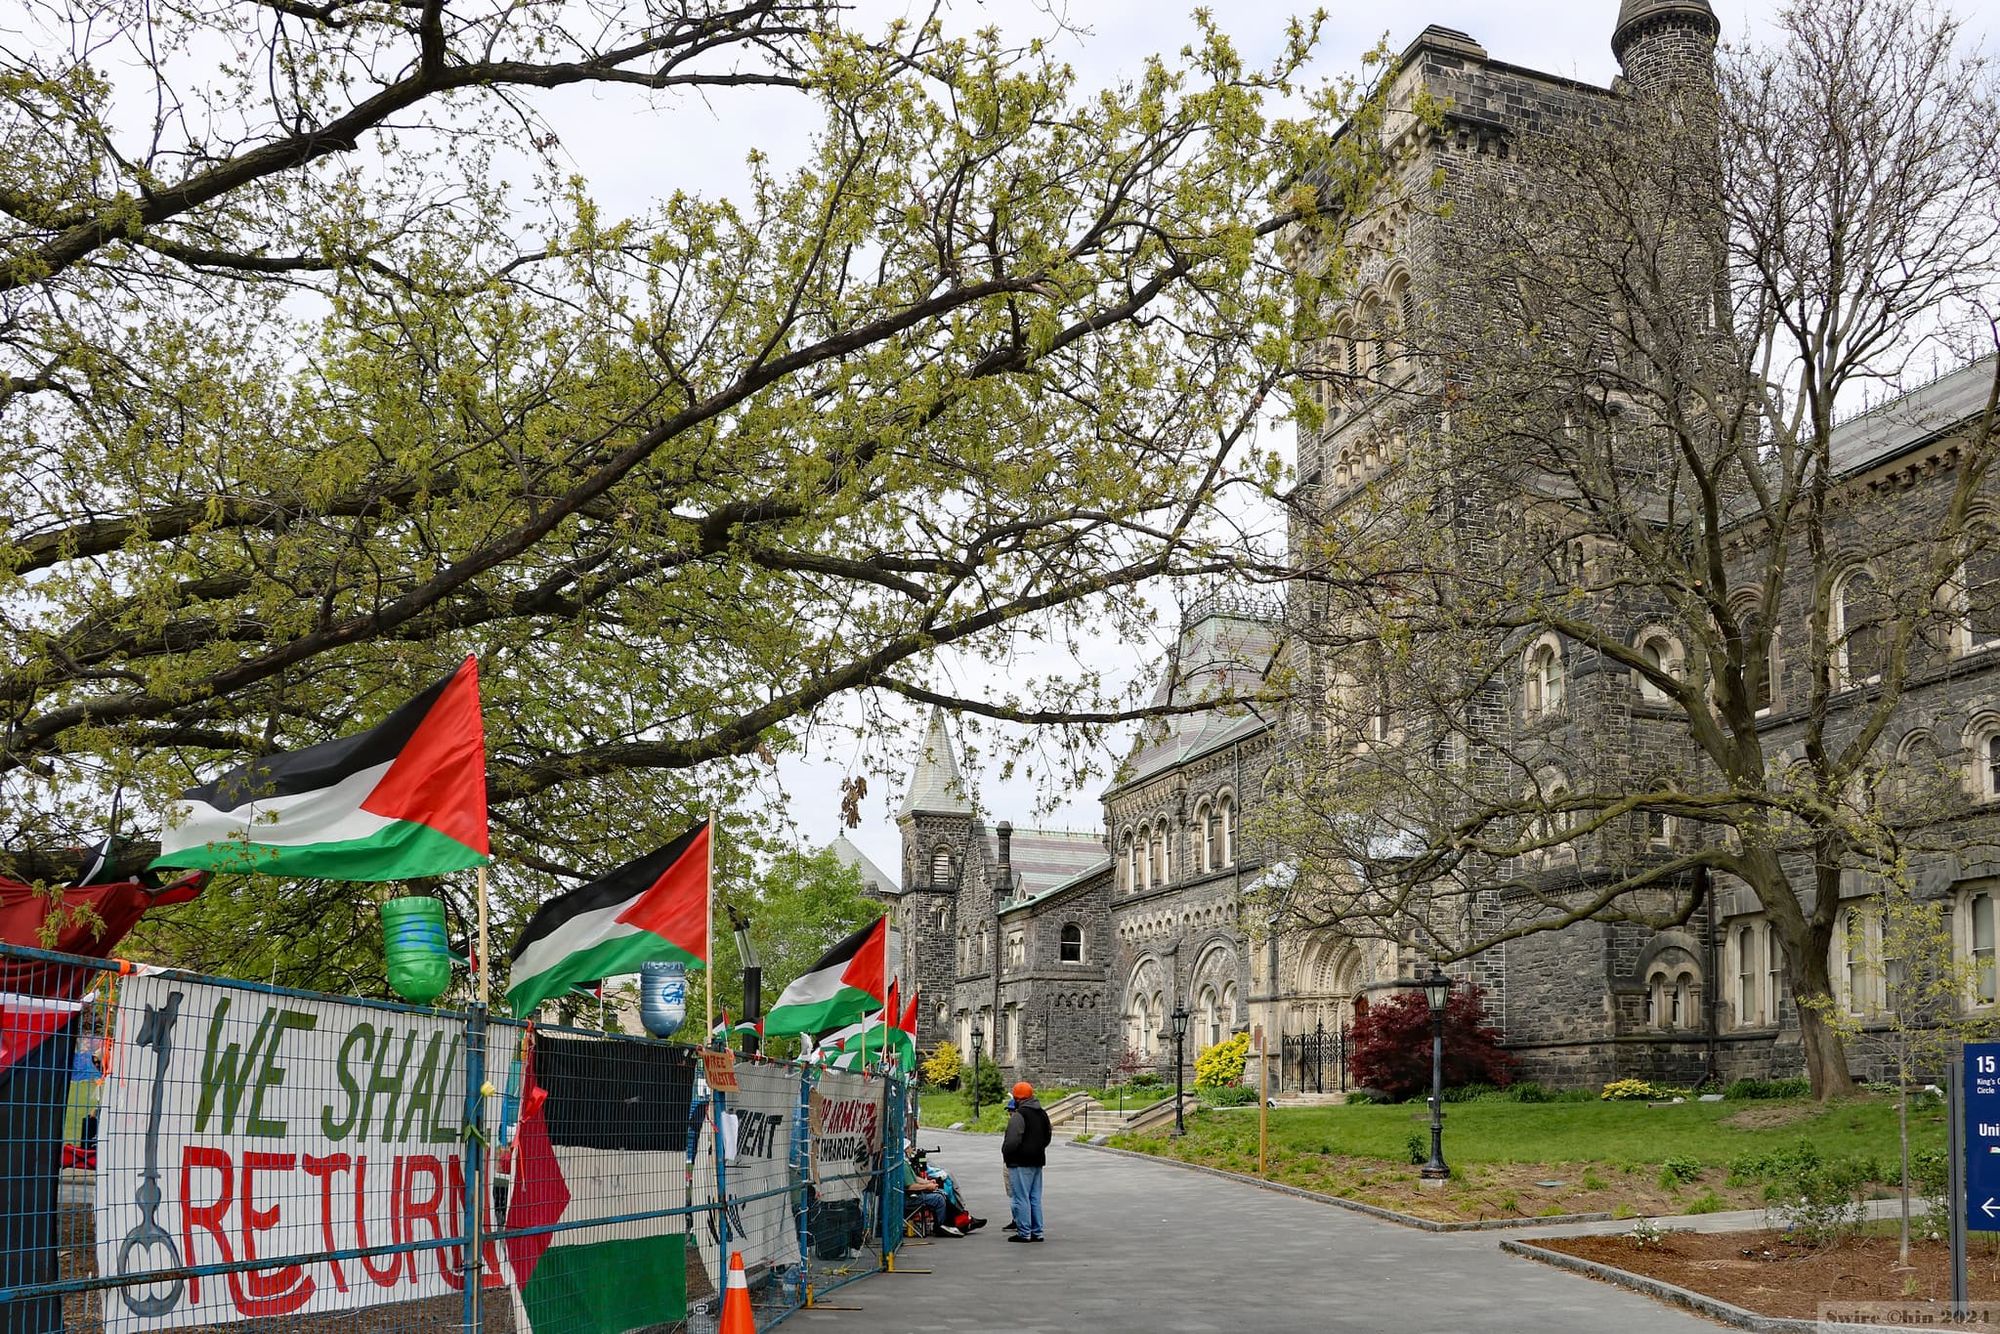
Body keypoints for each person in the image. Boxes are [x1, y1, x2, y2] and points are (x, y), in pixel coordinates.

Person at [1001, 1081, 1050, 1243]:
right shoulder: (1042, 1114)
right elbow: (1047, 1136)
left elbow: (1012, 1141)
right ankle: (1038, 1232)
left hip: (1020, 1161)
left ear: (1017, 1098)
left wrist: (1006, 1154)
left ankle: (1024, 1232)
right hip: (1038, 1160)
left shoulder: (1019, 1115)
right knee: (1035, 1197)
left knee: (1021, 1197)